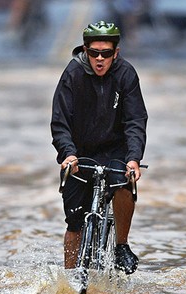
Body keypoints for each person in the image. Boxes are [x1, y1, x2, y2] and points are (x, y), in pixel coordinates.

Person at [51, 21, 147, 274]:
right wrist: (68, 154)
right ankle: (71, 277)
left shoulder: (126, 74)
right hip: (79, 153)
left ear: (116, 52)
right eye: (94, 53)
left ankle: (121, 245)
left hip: (115, 150)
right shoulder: (72, 74)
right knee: (74, 223)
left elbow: (136, 121)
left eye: (106, 53)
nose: (100, 59)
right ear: (85, 50)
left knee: (126, 183)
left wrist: (134, 159)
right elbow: (60, 122)